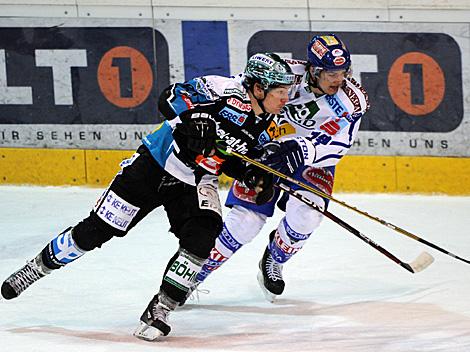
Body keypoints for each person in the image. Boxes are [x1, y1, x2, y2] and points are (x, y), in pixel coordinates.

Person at [1, 52, 300, 340]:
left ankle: (162, 307)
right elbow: (170, 97)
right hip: (155, 163)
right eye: (281, 92)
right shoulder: (224, 89)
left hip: (195, 181)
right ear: (259, 88)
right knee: (95, 231)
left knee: (202, 237)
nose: (286, 98)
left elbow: (233, 158)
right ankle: (36, 269)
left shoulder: (267, 125)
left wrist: (251, 176)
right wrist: (193, 118)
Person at [193, 34, 370, 302]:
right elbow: (243, 88)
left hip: (313, 160)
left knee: (308, 216)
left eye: (343, 72)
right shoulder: (284, 73)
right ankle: (192, 277)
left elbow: (340, 145)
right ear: (314, 69)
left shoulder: (353, 99)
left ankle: (274, 259)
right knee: (245, 223)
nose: (338, 79)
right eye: (331, 73)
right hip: (265, 151)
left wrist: (302, 149)